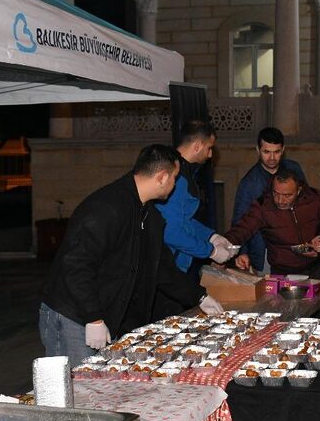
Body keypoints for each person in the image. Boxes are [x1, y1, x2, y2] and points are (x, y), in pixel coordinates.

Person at [40, 145, 205, 365]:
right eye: (174, 178)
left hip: (103, 315)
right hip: (73, 315)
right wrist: (94, 317)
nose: (175, 185)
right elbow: (76, 264)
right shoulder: (107, 206)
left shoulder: (148, 214)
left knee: (101, 388)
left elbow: (162, 268)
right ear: (162, 177)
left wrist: (200, 296)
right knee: (73, 390)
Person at [223, 170, 320, 278]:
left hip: (316, 268)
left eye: (287, 195)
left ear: (299, 190)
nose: (280, 201)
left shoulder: (314, 199)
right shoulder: (263, 206)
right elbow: (241, 230)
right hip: (282, 272)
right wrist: (219, 250)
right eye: (276, 193)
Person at [159, 120, 236, 272]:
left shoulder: (180, 170)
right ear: (198, 145)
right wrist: (210, 251)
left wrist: (211, 237)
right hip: (167, 264)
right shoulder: (177, 177)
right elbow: (171, 231)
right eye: (209, 148)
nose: (210, 154)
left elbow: (182, 219)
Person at [230, 127, 306, 274]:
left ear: (283, 150)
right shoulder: (250, 183)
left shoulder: (294, 169)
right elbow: (240, 221)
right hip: (265, 249)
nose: (272, 157)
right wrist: (242, 252)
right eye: (266, 152)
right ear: (258, 150)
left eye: (276, 152)